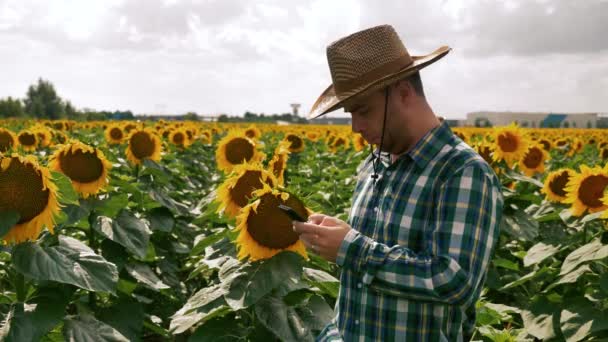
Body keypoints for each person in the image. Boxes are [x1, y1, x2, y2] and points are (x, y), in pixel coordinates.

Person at [293, 24, 503, 341]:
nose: (355, 127)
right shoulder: (374, 165)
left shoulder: (461, 171)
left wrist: (351, 248)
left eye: (363, 110)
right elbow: (361, 289)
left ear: (403, 93)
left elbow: (455, 281)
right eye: (351, 113)